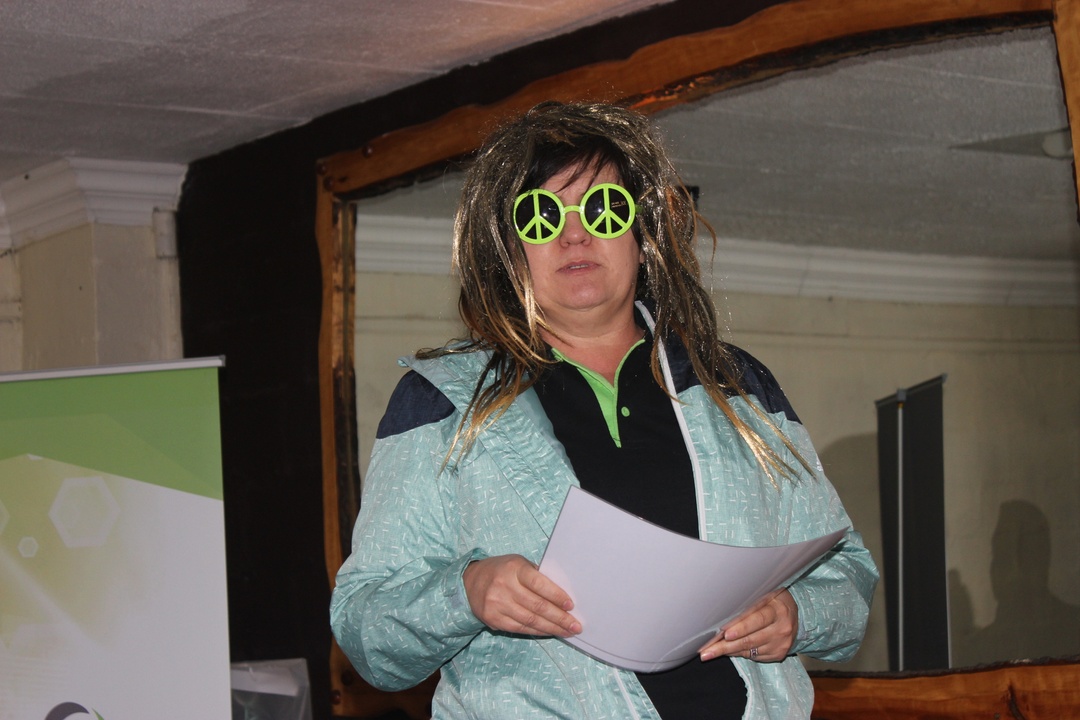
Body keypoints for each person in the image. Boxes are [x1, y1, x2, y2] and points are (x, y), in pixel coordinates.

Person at [330, 101, 878, 719]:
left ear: (643, 238)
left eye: (603, 209)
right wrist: (466, 593)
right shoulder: (443, 401)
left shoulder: (736, 386)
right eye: (540, 217)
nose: (574, 235)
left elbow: (848, 576)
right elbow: (365, 632)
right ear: (508, 252)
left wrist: (799, 614)